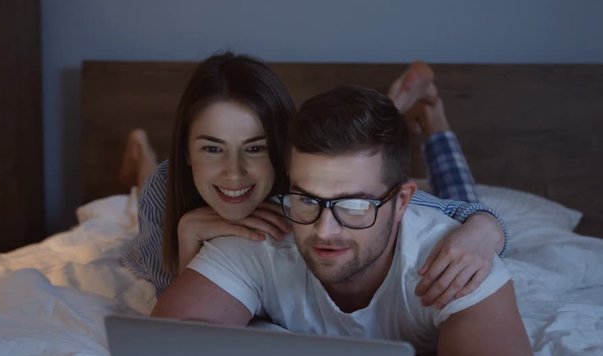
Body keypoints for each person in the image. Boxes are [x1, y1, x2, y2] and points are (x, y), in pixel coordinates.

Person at [151, 85, 532, 356]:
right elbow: (161, 344)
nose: (324, 230)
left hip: (449, 220)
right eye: (306, 199)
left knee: (467, 200)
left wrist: (486, 228)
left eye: (353, 205)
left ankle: (430, 114)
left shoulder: (455, 264)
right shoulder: (258, 233)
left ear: (401, 202)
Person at [121, 52, 508, 310]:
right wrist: (188, 235)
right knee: (148, 180)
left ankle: (429, 115)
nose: (234, 172)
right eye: (212, 149)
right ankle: (142, 151)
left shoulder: (309, 189)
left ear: (281, 153)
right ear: (186, 151)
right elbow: (174, 325)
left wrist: (483, 232)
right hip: (168, 181)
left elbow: (467, 212)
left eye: (255, 149)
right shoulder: (164, 189)